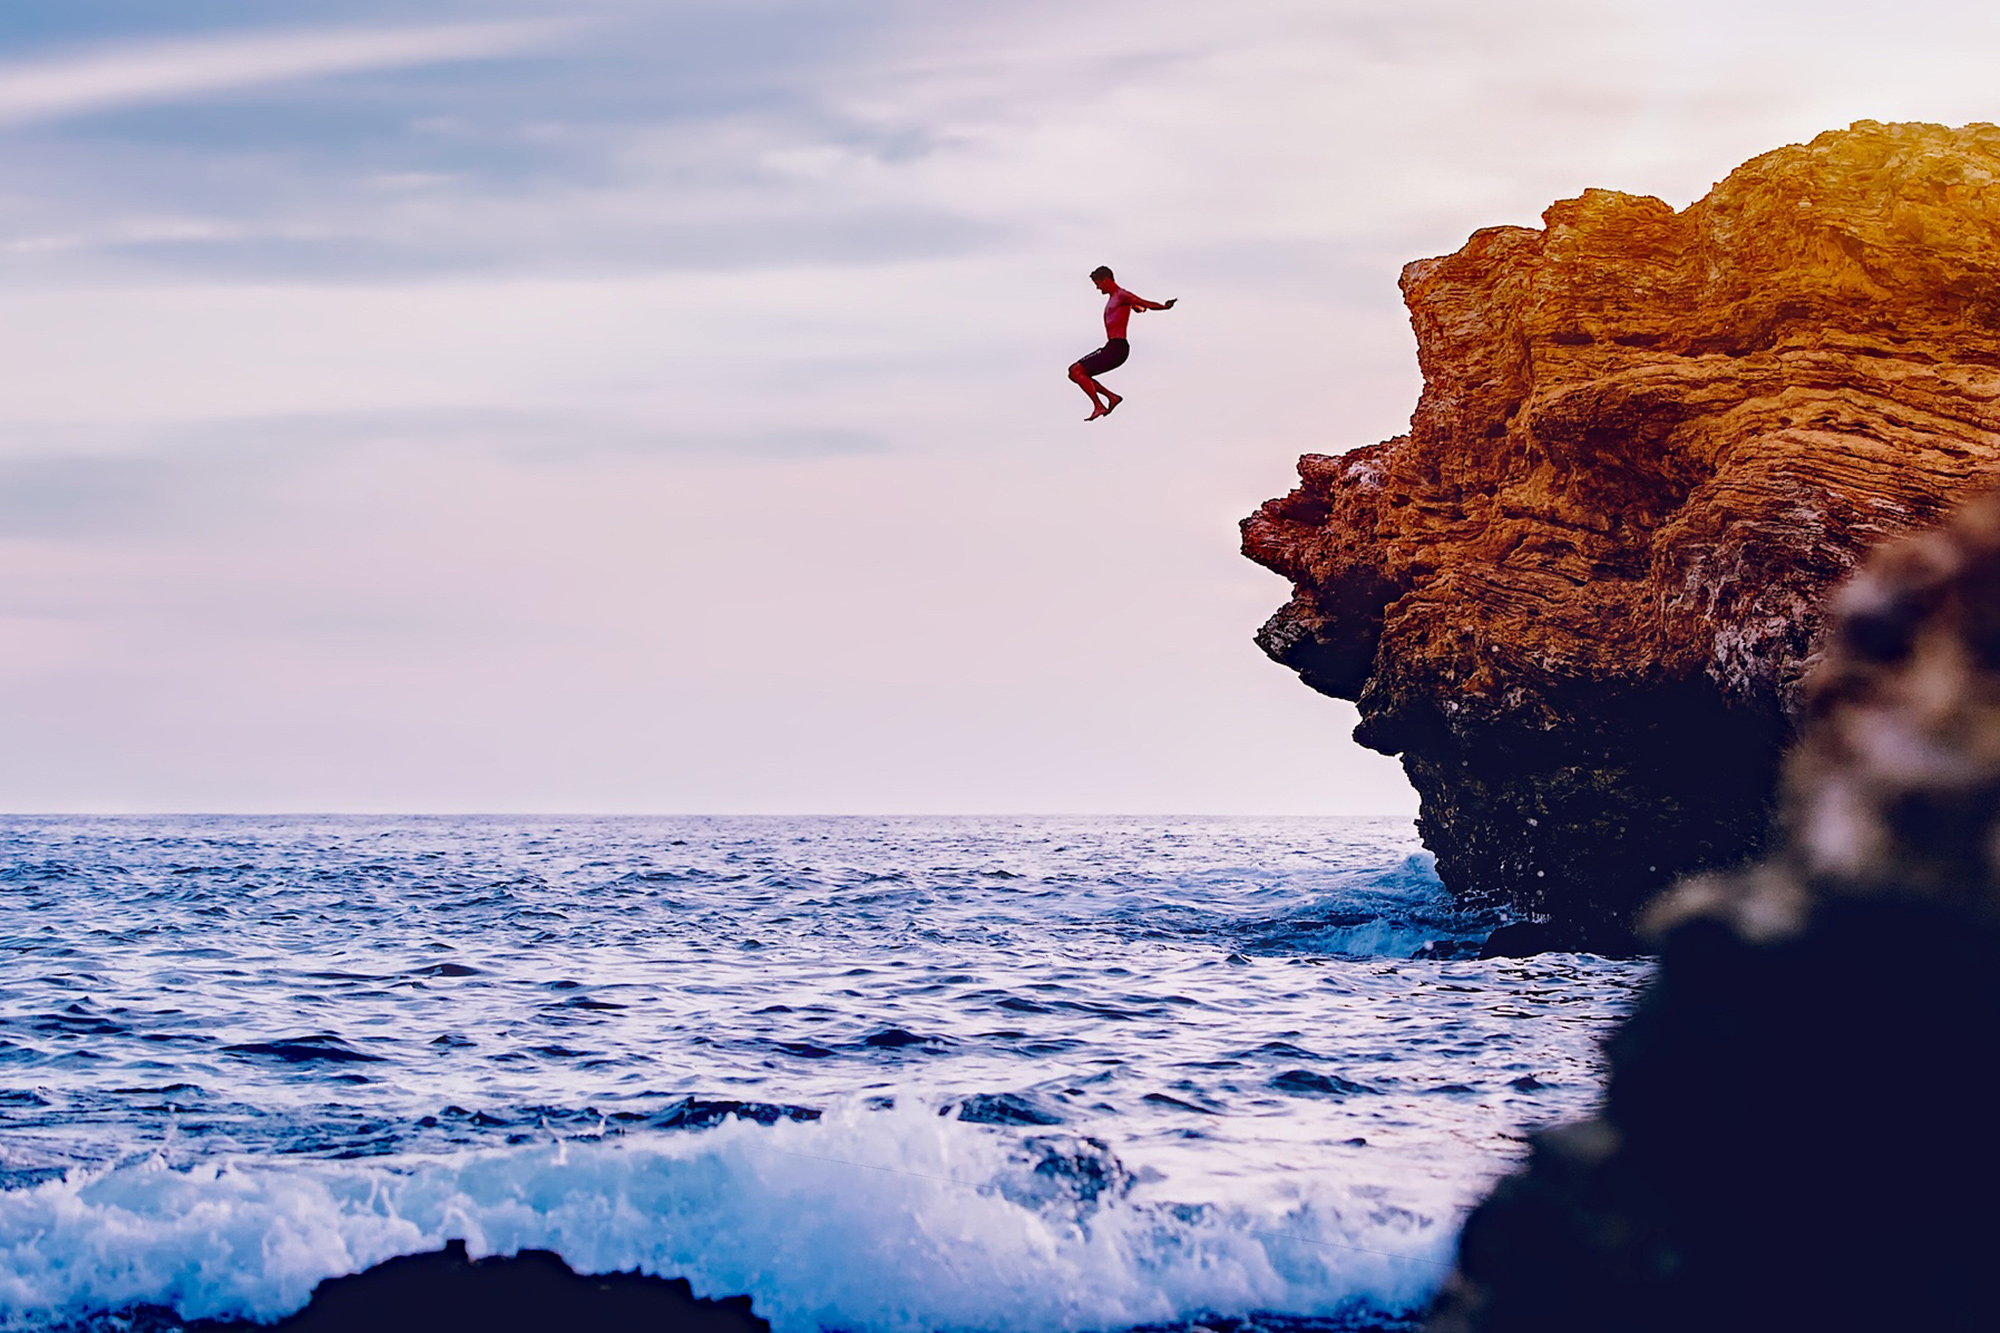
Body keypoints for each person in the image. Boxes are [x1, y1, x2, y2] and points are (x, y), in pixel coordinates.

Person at [1068, 266, 1175, 420]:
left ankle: (1099, 405)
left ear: (1106, 280)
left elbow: (1142, 302)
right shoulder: (1115, 299)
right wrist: (1138, 308)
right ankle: (1111, 398)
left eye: (1098, 283)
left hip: (1117, 348)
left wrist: (1163, 307)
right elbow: (1139, 307)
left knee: (1075, 371)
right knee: (1076, 374)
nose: (1097, 287)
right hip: (1112, 347)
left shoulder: (1121, 295)